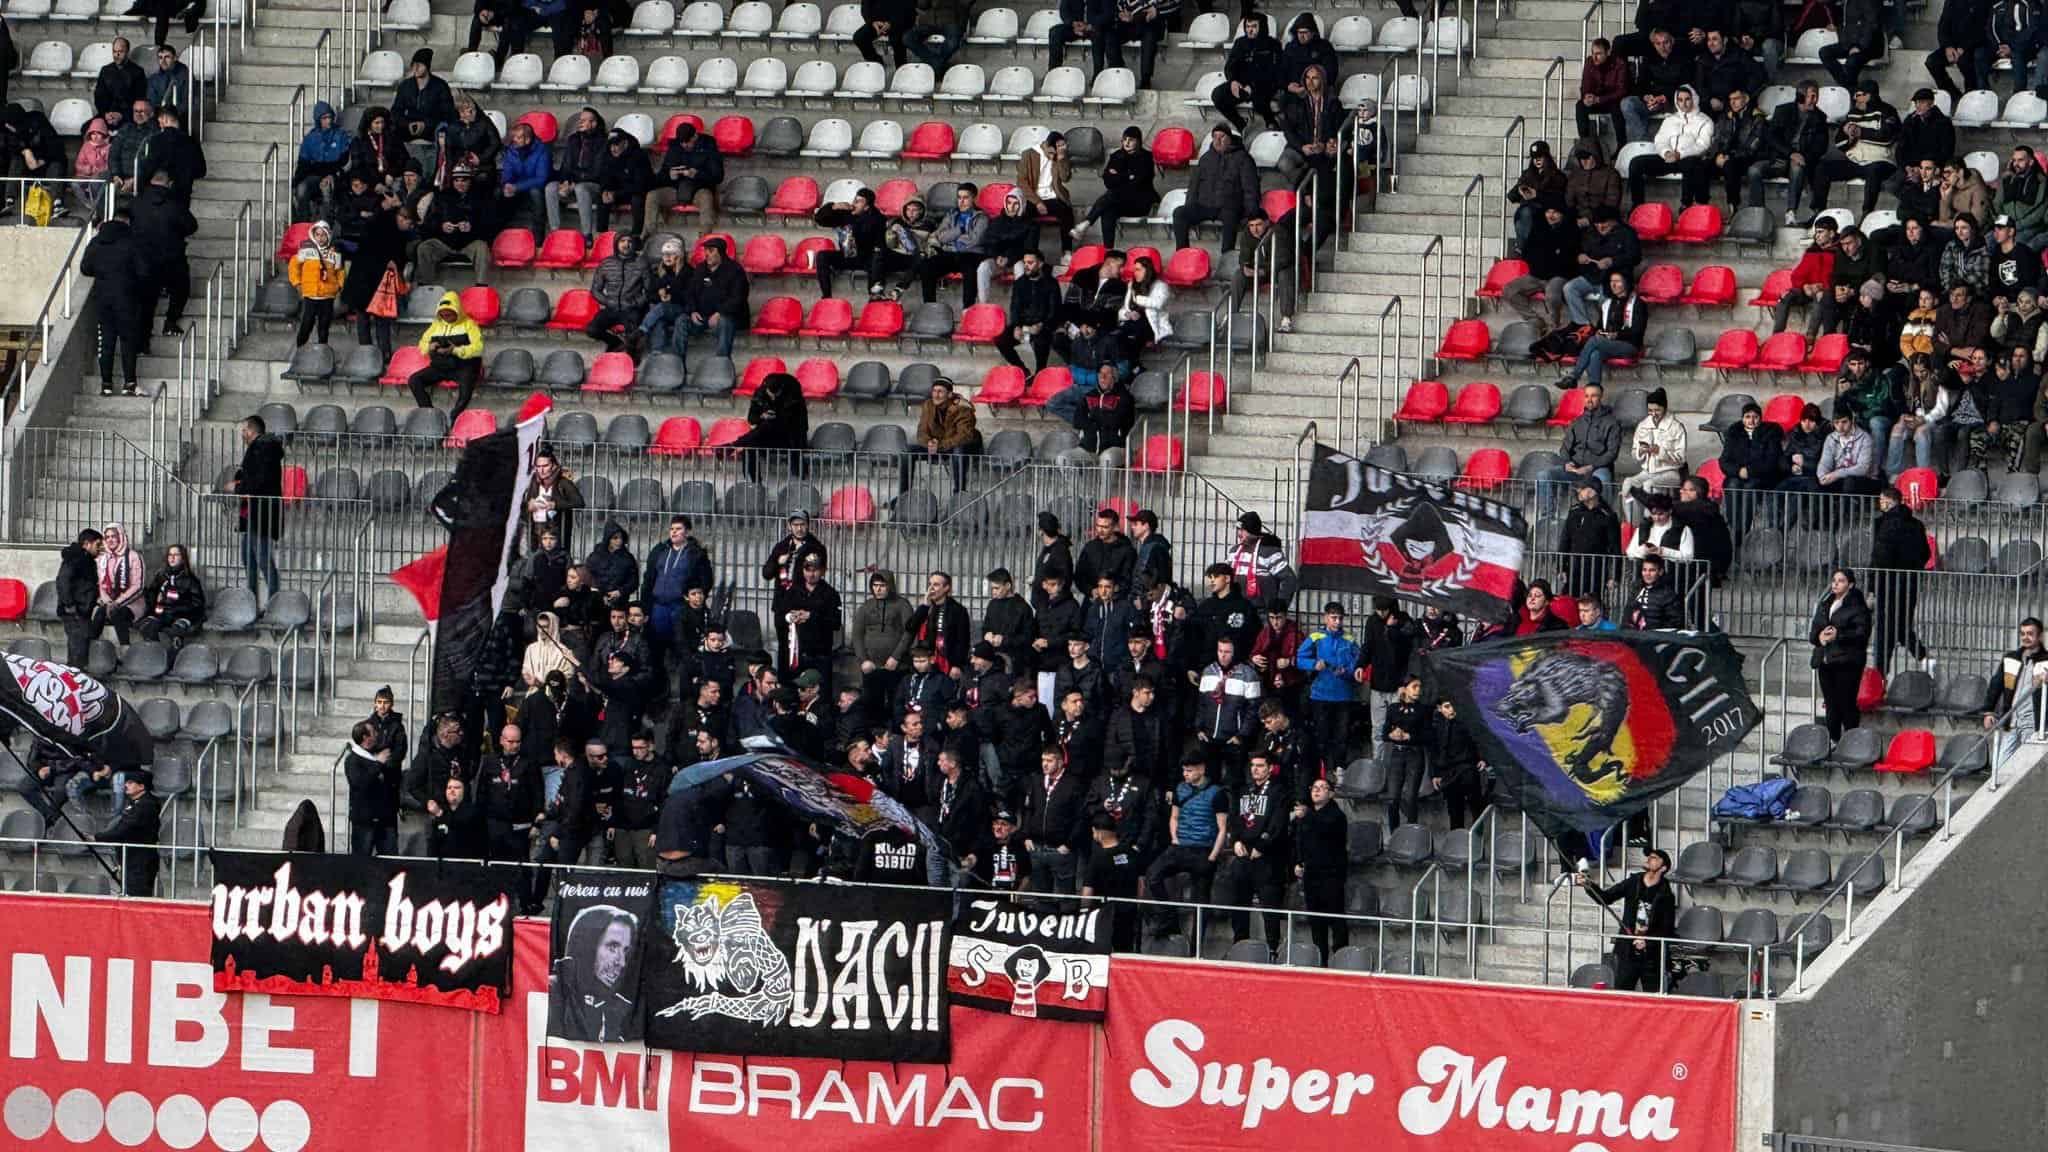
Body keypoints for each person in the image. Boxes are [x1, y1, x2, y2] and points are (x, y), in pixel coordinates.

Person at [1143, 751, 1230, 931]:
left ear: (1201, 769)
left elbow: (1222, 828)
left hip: (1203, 850)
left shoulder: (1217, 793)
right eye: (1184, 771)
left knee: (1200, 901)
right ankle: (1168, 917)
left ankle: (1195, 946)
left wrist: (1213, 856)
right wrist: (1175, 838)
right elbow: (1174, 817)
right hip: (1180, 846)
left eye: (1189, 771)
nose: (1185, 774)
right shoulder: (1180, 788)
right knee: (1152, 875)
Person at [1574, 848, 1678, 992]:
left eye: (1654, 858)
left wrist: (1647, 941)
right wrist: (1589, 885)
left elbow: (1667, 929)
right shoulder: (1633, 882)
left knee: (1653, 996)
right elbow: (1606, 897)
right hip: (1627, 952)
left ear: (1663, 868)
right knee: (1622, 992)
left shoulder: (1666, 894)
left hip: (1652, 957)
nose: (1649, 858)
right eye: (1649, 856)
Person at [1217, 751, 1289, 948]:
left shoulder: (1279, 791)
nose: (1255, 770)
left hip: (1268, 858)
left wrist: (1262, 845)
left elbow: (1278, 822)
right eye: (1253, 766)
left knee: (1270, 908)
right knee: (1238, 903)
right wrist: (1236, 841)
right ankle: (1239, 944)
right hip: (1243, 854)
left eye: (1260, 766)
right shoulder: (1244, 790)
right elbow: (1234, 818)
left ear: (1270, 768)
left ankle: (1273, 948)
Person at [79, 206, 144, 398]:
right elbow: (143, 271)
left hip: (103, 298)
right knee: (127, 342)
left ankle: (106, 384)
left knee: (106, 342)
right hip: (127, 299)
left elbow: (85, 268)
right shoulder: (133, 242)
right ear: (128, 222)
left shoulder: (97, 241)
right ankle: (129, 383)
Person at [1810, 81, 1899, 219]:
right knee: (1823, 167)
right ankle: (1818, 211)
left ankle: (1866, 214)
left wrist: (1860, 132)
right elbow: (1839, 143)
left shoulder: (1887, 111)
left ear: (1869, 96)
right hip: (1855, 161)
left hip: (1880, 160)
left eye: (1858, 95)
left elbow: (1887, 136)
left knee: (1874, 171)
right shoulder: (1852, 114)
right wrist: (1849, 136)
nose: (1854, 98)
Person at [1174, 126, 1261, 263]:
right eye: (1215, 137)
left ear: (1230, 139)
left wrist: (1251, 212)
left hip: (1229, 206)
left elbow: (1251, 187)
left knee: (1231, 216)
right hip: (1205, 205)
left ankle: (1226, 260)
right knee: (1180, 213)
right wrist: (1190, 206)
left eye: (1222, 137)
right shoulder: (1206, 158)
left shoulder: (1243, 158)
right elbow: (1194, 185)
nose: (1217, 140)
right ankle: (1183, 257)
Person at [1869, 485, 1931, 675]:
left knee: (1885, 631)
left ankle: (1880, 677)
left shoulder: (1884, 524)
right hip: (1910, 583)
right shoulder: (1917, 525)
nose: (1880, 505)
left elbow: (1879, 558)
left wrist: (1872, 588)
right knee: (1901, 627)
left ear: (1888, 502)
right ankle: (1925, 659)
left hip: (1887, 584)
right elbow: (1926, 553)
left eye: (1881, 501)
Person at [130, 167, 197, 339]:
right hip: (171, 256)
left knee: (146, 300)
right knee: (180, 288)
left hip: (143, 258)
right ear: (169, 183)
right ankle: (170, 322)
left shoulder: (137, 202)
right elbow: (191, 226)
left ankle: (143, 340)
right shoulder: (175, 203)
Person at [225, 415, 284, 603]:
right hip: (251, 514)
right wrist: (240, 481)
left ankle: (274, 602)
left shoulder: (263, 448)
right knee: (248, 560)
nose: (242, 433)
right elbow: (248, 474)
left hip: (261, 514)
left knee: (263, 560)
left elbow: (260, 480)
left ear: (251, 430)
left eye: (244, 430)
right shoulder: (257, 449)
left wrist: (238, 487)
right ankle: (252, 604)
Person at [1625, 85, 1714, 207]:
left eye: (1687, 99)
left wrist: (1680, 154)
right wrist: (1666, 152)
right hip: (1669, 158)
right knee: (1636, 163)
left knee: (1692, 163)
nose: (1684, 103)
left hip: (1688, 159)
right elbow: (1660, 139)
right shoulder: (1670, 119)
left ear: (1694, 99)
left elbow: (1703, 145)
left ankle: (1686, 205)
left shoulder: (1705, 121)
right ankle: (1637, 205)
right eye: (1680, 100)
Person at [1558, 269, 1648, 389]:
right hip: (1608, 343)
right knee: (1595, 353)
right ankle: (1595, 388)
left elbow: (1638, 331)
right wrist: (1599, 332)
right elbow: (1600, 326)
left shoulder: (1637, 303)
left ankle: (1574, 377)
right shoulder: (1608, 303)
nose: (1613, 284)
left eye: (1617, 281)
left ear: (1626, 283)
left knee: (1594, 341)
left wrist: (1617, 335)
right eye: (1611, 281)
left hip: (1629, 345)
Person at [1291, 777, 1348, 963]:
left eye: (1323, 788)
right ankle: (1320, 957)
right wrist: (1299, 862)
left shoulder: (1337, 815)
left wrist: (1307, 816)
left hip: (1331, 874)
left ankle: (1341, 956)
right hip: (1312, 873)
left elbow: (1325, 830)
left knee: (1335, 917)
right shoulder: (1307, 816)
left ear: (1331, 793)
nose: (1317, 790)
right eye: (1314, 787)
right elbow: (1300, 841)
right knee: (1315, 919)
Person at [1811, 567, 1873, 738]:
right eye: (1834, 580)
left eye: (1841, 580)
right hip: (1826, 660)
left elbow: (1862, 634)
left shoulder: (1858, 607)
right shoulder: (1825, 604)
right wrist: (1820, 637)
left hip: (1847, 662)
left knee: (1846, 703)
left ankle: (1852, 741)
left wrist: (1839, 635)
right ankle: (1834, 741)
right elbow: (1813, 633)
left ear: (1850, 585)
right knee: (1831, 704)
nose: (1836, 584)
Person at [1502, 202, 1579, 336]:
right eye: (1548, 212)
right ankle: (1534, 319)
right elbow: (1527, 252)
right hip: (1536, 275)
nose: (1551, 215)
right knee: (1509, 289)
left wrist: (1551, 257)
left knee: (1552, 295)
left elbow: (1568, 259)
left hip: (1558, 276)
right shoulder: (1539, 228)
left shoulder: (1571, 230)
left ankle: (1553, 326)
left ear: (1562, 215)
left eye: (1555, 212)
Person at [1075, 126, 1157, 247]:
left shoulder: (1147, 157)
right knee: (1108, 210)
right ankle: (1109, 250)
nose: (1127, 143)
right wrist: (1128, 176)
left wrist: (1118, 176)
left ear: (1138, 141)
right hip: (1120, 202)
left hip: (1140, 202)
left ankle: (1087, 221)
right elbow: (1108, 181)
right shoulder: (1117, 156)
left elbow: (1138, 182)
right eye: (1124, 139)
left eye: (1131, 140)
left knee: (1113, 193)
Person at [406, 292, 485, 416]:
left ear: (457, 311)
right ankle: (429, 413)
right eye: (442, 314)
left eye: (448, 314)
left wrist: (455, 350)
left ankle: (455, 416)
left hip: (463, 367)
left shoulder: (470, 324)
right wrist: (429, 347)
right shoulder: (436, 325)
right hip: (440, 366)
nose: (445, 317)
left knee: (466, 390)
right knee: (414, 380)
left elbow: (478, 348)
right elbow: (422, 344)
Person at [676, 236, 750, 366]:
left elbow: (738, 298)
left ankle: (721, 366)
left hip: (725, 317)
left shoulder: (735, 270)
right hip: (702, 317)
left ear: (720, 252)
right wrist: (692, 311)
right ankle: (677, 365)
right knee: (681, 320)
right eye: (705, 251)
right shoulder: (700, 269)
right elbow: (689, 293)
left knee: (725, 322)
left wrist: (720, 313)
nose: (707, 254)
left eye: (711, 251)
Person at [1563, 207, 1641, 327]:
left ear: (1614, 221)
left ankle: (1606, 328)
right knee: (1569, 288)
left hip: (1615, 279)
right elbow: (1578, 250)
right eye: (1597, 223)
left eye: (1604, 223)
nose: (1600, 226)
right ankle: (1582, 324)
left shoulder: (1627, 233)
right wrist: (1580, 256)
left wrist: (1612, 261)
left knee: (1605, 301)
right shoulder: (1590, 232)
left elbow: (1635, 257)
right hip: (1592, 276)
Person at [1981, 618, 2048, 756]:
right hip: (2010, 721)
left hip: (2033, 725)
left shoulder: (2046, 661)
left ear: (2040, 636)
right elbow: (1996, 685)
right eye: (2022, 633)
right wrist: (1988, 712)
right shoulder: (2011, 658)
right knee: (2000, 766)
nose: (2025, 637)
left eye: (2030, 633)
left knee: (2026, 766)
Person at [1718, 403, 1783, 545]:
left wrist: (1750, 471)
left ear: (1760, 419)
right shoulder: (1734, 433)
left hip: (1762, 477)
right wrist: (1738, 471)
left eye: (1755, 417)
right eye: (1748, 417)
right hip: (1738, 475)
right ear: (1742, 419)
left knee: (1749, 489)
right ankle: (1735, 526)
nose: (1751, 421)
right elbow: (1724, 461)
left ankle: (1742, 530)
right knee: (1732, 485)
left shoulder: (1769, 434)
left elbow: (1771, 461)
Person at [903, 375, 981, 492]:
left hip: (965, 444)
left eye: (940, 392)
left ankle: (959, 494)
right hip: (941, 444)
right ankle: (903, 494)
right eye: (934, 391)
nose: (936, 395)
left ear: (949, 394)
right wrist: (928, 443)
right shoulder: (928, 405)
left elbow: (963, 436)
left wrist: (939, 445)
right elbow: (922, 431)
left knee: (958, 450)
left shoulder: (962, 408)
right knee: (907, 451)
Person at [1619, 387, 1687, 518]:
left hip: (1670, 473)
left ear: (1665, 408)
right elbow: (1634, 453)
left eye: (1657, 410)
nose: (1653, 413)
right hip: (1647, 472)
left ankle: (1649, 520)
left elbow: (1681, 458)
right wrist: (1641, 451)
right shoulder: (1643, 425)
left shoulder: (1676, 427)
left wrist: (1660, 452)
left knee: (1649, 484)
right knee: (1628, 483)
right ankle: (1634, 523)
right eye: (1650, 410)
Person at [94, 768, 162, 897]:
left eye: (131, 783)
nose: (126, 785)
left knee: (137, 896)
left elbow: (124, 829)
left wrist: (97, 837)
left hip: (140, 861)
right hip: (129, 859)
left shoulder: (146, 805)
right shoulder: (135, 803)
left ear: (142, 786)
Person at [920, 182, 990, 306]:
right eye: (959, 197)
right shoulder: (952, 214)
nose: (961, 201)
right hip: (950, 252)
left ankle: (967, 309)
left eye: (965, 198)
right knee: (927, 266)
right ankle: (929, 306)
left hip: (971, 254)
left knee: (970, 271)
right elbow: (940, 236)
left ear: (973, 199)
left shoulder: (981, 217)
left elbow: (974, 240)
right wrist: (960, 230)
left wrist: (952, 237)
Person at [1211, 13, 1282, 132]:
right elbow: (1230, 66)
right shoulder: (1240, 43)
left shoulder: (1273, 44)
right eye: (1248, 26)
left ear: (1262, 27)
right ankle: (1241, 124)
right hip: (1241, 84)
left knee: (1259, 99)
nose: (1250, 30)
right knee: (1217, 95)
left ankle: (1270, 122)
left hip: (1264, 84)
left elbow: (1274, 72)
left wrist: (1253, 86)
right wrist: (1233, 81)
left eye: (1254, 26)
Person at [548, 107, 610, 240]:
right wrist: (565, 182)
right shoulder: (573, 139)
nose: (579, 123)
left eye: (583, 120)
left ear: (594, 123)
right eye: (580, 120)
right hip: (573, 184)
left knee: (580, 188)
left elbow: (597, 172)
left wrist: (573, 183)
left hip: (594, 187)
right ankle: (555, 232)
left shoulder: (604, 142)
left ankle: (587, 234)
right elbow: (566, 165)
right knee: (551, 187)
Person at [1230, 210, 1297, 332]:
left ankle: (1286, 319)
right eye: (1251, 225)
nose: (1255, 229)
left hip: (1277, 269)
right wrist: (1244, 267)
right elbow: (1244, 257)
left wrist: (1264, 271)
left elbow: (1284, 259)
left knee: (1285, 274)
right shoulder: (1247, 234)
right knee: (1238, 275)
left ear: (1266, 222)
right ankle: (1231, 315)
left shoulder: (1279, 232)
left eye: (1258, 225)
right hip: (1259, 270)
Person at [995, 249, 1060, 373]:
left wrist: (1041, 325)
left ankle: (1040, 373)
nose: (1026, 266)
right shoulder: (1019, 283)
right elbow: (1014, 308)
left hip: (1043, 325)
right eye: (1025, 263)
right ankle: (1023, 371)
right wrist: (1017, 326)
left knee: (1041, 340)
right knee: (1001, 340)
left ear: (1040, 264)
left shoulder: (1051, 283)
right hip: (1024, 324)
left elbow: (1054, 311)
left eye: (1030, 263)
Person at [584, 232, 648, 354]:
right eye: (622, 241)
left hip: (631, 309)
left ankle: (632, 354)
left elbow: (649, 291)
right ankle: (614, 342)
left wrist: (635, 303)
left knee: (633, 333)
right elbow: (595, 290)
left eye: (629, 241)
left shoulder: (641, 263)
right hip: (611, 308)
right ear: (616, 244)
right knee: (591, 329)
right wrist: (608, 301)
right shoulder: (606, 263)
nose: (626, 244)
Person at [1379, 675, 1428, 830]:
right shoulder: (1393, 708)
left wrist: (1409, 736)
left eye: (1419, 686)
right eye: (1414, 686)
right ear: (1405, 689)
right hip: (1398, 753)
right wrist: (1392, 735)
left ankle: (1411, 832)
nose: (1418, 690)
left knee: (1410, 797)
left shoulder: (1423, 709)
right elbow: (1384, 732)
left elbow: (1429, 736)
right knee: (1393, 797)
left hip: (1415, 753)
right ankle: (1394, 833)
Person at [285, 220, 345, 348]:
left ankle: (322, 351)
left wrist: (339, 285)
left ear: (328, 235)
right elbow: (293, 266)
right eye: (317, 234)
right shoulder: (305, 251)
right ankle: (300, 348)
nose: (320, 238)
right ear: (313, 235)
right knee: (306, 324)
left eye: (323, 235)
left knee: (324, 326)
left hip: (327, 296)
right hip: (310, 295)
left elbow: (340, 272)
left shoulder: (334, 254)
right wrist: (297, 283)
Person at [1016, 131, 1075, 253]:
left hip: (1052, 196)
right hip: (1033, 198)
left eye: (1062, 146)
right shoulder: (1028, 155)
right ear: (1047, 145)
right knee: (1025, 218)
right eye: (1057, 147)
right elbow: (1022, 182)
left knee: (1067, 212)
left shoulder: (1061, 155)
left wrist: (1061, 160)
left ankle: (1067, 251)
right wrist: (1037, 202)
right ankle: (1029, 254)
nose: (1060, 149)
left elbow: (1065, 178)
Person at [1225, 512, 1297, 611]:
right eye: (1238, 529)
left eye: (1243, 530)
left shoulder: (1270, 552)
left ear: (1252, 531)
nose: (1239, 534)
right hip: (1235, 608)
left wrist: (1279, 607)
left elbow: (1289, 579)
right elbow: (1225, 576)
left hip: (1261, 613)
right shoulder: (1234, 551)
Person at [55, 529, 104, 668]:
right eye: (98, 544)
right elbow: (62, 581)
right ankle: (75, 682)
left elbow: (86, 586)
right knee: (77, 652)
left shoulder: (87, 561)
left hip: (83, 611)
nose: (100, 548)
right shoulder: (74, 559)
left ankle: (77, 680)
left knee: (81, 650)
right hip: (75, 612)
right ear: (87, 544)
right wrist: (70, 605)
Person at [391, 49, 455, 143]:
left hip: (432, 127)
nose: (415, 68)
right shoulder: (406, 85)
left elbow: (448, 114)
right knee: (390, 130)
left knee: (444, 131)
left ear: (427, 67)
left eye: (419, 65)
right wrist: (407, 124)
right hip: (409, 126)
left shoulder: (440, 86)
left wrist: (425, 124)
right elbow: (396, 111)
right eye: (413, 65)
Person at [1577, 38, 1629, 144]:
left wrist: (1600, 99)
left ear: (1608, 52)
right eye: (1593, 53)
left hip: (1612, 99)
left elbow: (1622, 90)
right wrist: (1586, 96)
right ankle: (1585, 143)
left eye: (1599, 53)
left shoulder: (1619, 63)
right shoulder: (1590, 62)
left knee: (1617, 108)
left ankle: (1621, 144)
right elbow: (1585, 83)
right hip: (1596, 99)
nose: (1595, 57)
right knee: (1580, 106)